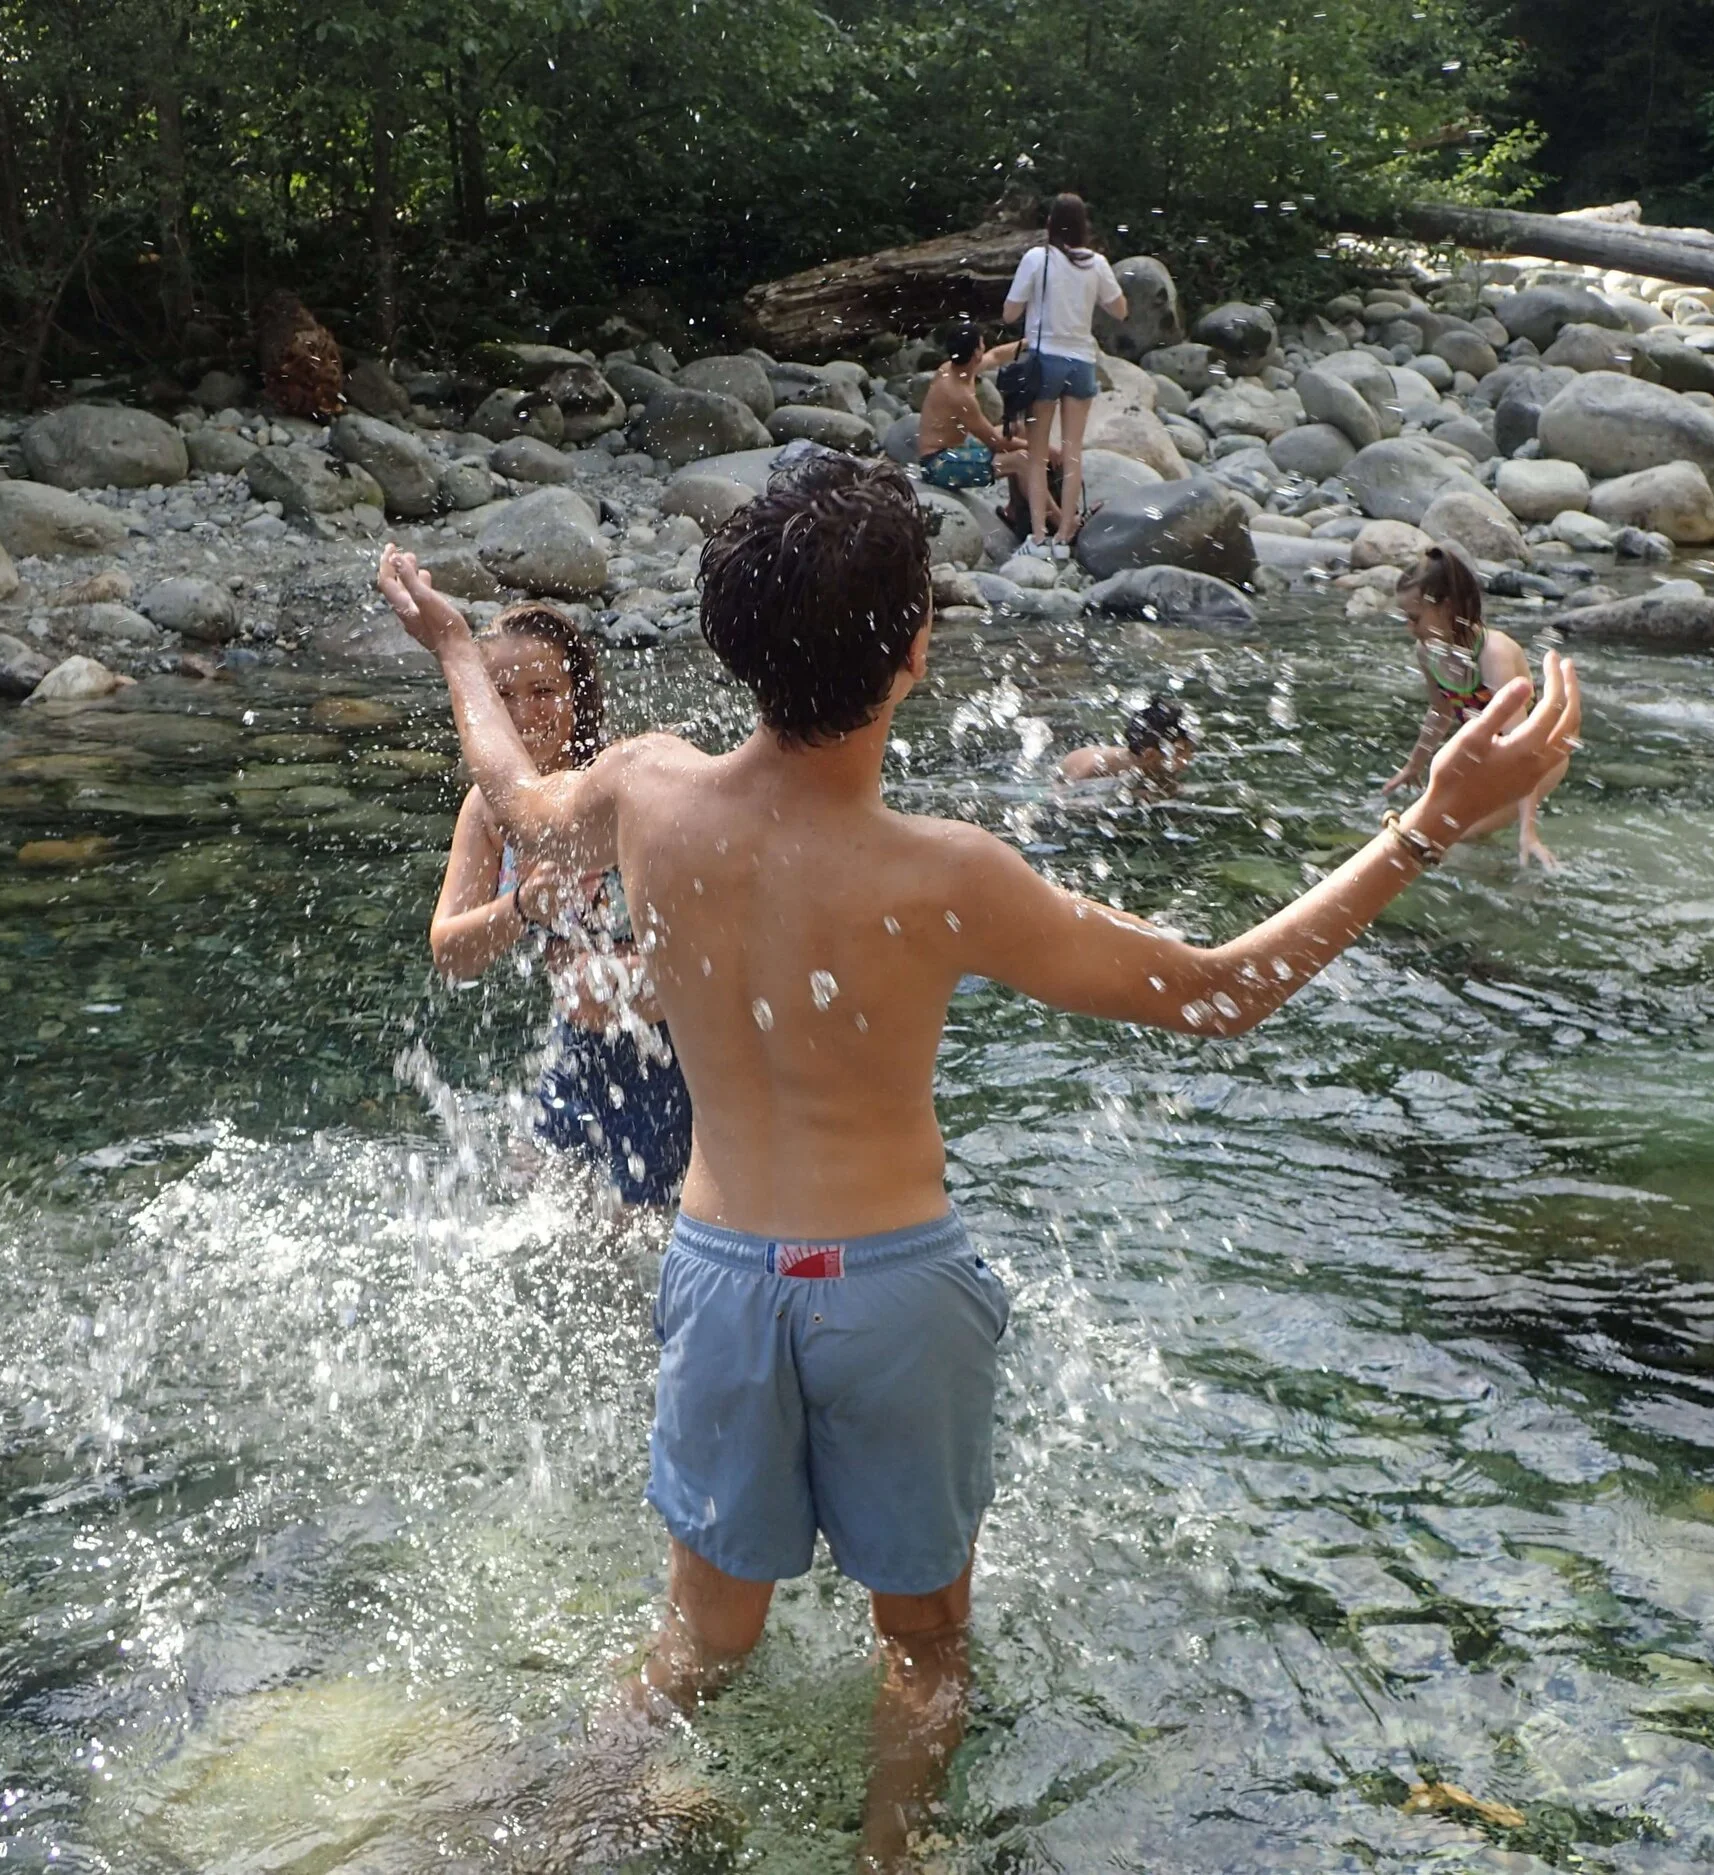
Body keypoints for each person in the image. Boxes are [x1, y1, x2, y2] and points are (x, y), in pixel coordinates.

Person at [374, 455, 1579, 1870]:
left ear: (731, 642)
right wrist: (1427, 821)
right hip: (889, 1290)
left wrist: (455, 642)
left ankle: (554, 1831)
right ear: (917, 649)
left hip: (717, 1273)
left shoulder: (645, 793)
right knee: (928, 1647)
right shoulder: (948, 871)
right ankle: (894, 1856)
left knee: (700, 1639)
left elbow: (508, 786)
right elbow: (1221, 988)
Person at [427, 602, 692, 1207]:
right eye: (503, 695)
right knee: (539, 1224)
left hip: (673, 1054)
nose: (524, 713)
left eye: (544, 690)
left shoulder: (624, 785)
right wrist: (523, 904)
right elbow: (450, 953)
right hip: (576, 1053)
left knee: (642, 1247)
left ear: (579, 694)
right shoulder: (489, 811)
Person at [1380, 546, 1568, 869]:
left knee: (1454, 834)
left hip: (1543, 759)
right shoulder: (1428, 653)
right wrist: (1413, 766)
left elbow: (1525, 750)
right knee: (1430, 829)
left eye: (1414, 618)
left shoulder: (1493, 656)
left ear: (1447, 608)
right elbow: (1440, 710)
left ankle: (1514, 871)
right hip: (1494, 756)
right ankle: (1495, 863)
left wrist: (1529, 832)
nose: (1409, 628)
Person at [1002, 193, 1125, 563]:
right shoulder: (1097, 263)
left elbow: (1009, 314)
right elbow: (1120, 310)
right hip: (1081, 361)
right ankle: (1065, 533)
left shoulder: (1036, 259)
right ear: (1084, 227)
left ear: (1050, 224)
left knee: (1038, 452)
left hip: (1044, 362)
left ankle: (1039, 536)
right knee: (1073, 451)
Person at [915, 317, 1018, 489]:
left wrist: (1027, 344)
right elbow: (996, 442)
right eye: (982, 343)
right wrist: (1043, 449)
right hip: (937, 464)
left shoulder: (955, 368)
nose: (985, 347)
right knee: (1022, 458)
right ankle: (1059, 516)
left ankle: (1016, 509)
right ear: (977, 353)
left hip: (956, 448)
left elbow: (995, 356)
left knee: (1018, 430)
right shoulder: (959, 396)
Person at [1058, 695, 1195, 785]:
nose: (1189, 757)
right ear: (1149, 755)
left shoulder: (1153, 767)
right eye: (1181, 752)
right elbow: (1061, 799)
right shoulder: (1094, 768)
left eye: (1190, 749)